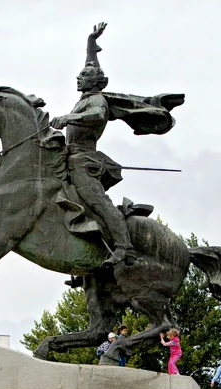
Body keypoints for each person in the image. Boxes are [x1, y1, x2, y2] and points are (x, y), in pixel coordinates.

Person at [50, 22, 135, 267]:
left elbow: (97, 116)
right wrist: (90, 43)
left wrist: (68, 118)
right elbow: (92, 66)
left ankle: (124, 247)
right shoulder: (86, 97)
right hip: (67, 158)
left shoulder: (97, 100)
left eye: (84, 76)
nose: (78, 77)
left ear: (96, 83)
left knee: (96, 202)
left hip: (84, 162)